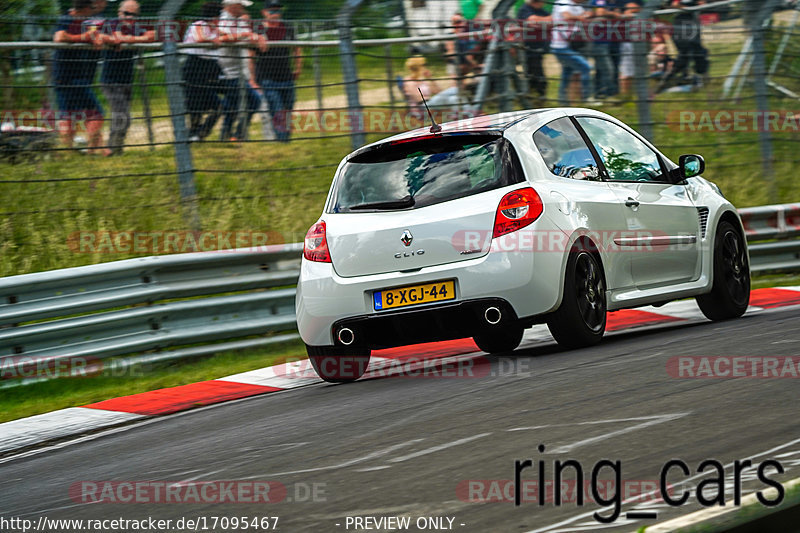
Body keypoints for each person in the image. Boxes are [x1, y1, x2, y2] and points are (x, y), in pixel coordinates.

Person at [99, 0, 155, 156]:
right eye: (127, 13)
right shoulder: (111, 24)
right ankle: (113, 149)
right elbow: (114, 37)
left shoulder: (135, 27)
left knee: (121, 116)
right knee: (123, 116)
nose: (130, 17)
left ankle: (115, 148)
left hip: (126, 79)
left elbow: (151, 36)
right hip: (110, 80)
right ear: (119, 12)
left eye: (134, 14)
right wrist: (134, 39)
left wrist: (127, 39)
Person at [53, 0, 106, 153]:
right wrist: (86, 37)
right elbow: (59, 37)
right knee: (96, 114)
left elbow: (94, 35)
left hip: (70, 76)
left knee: (68, 115)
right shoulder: (67, 19)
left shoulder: (84, 22)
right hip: (69, 76)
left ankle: (68, 151)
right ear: (86, 8)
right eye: (93, 8)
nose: (94, 11)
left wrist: (94, 38)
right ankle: (90, 150)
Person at [215, 0, 267, 141]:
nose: (243, 8)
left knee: (232, 106)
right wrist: (248, 36)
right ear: (233, 5)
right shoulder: (223, 20)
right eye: (241, 5)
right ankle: (239, 134)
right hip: (227, 73)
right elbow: (222, 38)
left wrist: (257, 37)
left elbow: (248, 37)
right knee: (255, 100)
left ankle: (226, 136)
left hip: (239, 73)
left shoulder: (240, 20)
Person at [254, 0, 301, 142]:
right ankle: (283, 141)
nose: (275, 14)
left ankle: (284, 138)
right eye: (272, 11)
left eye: (278, 11)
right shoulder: (258, 30)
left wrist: (298, 67)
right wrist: (251, 78)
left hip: (286, 76)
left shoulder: (287, 27)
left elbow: (297, 49)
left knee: (288, 109)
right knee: (277, 109)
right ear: (264, 12)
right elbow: (251, 56)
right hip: (267, 78)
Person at [182, 1, 223, 142]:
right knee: (195, 107)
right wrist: (213, 41)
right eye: (219, 16)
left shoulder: (215, 29)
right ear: (213, 16)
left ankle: (202, 133)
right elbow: (200, 38)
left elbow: (227, 37)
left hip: (209, 70)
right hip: (194, 68)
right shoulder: (199, 25)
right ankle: (192, 135)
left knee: (218, 107)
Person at [551, 0, 598, 106]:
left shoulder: (576, 5)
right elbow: (566, 16)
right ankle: (587, 98)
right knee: (586, 67)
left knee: (566, 74)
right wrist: (580, 17)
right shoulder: (564, 2)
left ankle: (563, 102)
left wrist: (584, 16)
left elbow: (587, 15)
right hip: (561, 47)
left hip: (570, 46)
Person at [657, 0, 709, 93]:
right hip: (680, 25)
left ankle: (698, 79)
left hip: (692, 22)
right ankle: (667, 80)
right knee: (686, 54)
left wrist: (701, 4)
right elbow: (668, 5)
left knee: (698, 52)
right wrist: (676, 5)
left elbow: (702, 3)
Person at [516, 0, 551, 101]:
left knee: (535, 73)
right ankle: (534, 96)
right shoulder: (524, 9)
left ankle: (535, 96)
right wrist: (543, 21)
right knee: (534, 73)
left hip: (536, 48)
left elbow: (552, 19)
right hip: (526, 48)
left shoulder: (540, 10)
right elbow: (533, 20)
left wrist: (542, 21)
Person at [590, 0, 621, 100]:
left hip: (612, 40)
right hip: (599, 41)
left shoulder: (615, 3)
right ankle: (608, 94)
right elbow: (600, 12)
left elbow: (619, 15)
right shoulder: (599, 1)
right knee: (607, 69)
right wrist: (613, 14)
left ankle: (601, 94)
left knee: (609, 68)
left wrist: (611, 14)